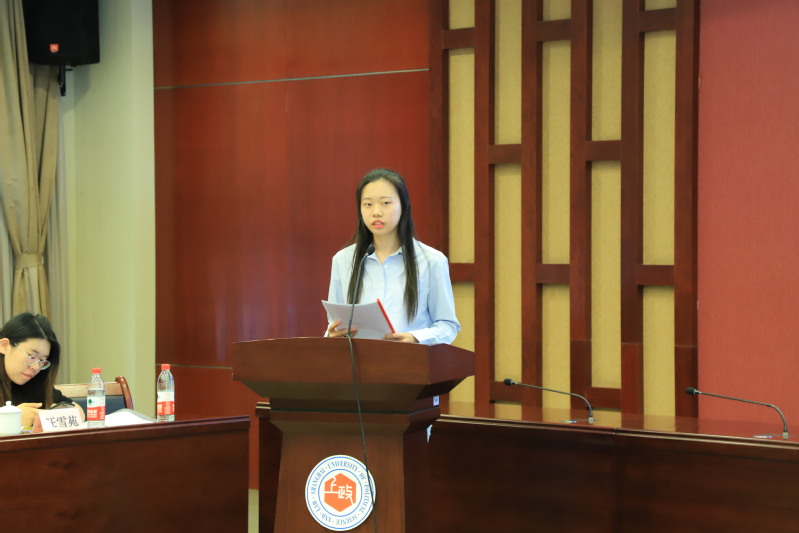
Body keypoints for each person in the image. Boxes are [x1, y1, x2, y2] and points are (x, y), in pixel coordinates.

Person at [326, 168, 461, 344]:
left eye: (385, 203)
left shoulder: (431, 261)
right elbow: (335, 322)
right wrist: (332, 334)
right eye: (368, 204)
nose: (376, 212)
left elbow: (448, 326)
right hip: (358, 360)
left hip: (410, 358)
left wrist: (415, 338)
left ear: (403, 205)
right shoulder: (343, 260)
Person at [0, 312, 82, 427]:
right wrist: (10, 421)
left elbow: (78, 411)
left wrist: (54, 416)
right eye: (32, 356)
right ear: (4, 346)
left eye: (42, 360)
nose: (36, 367)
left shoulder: (35, 382)